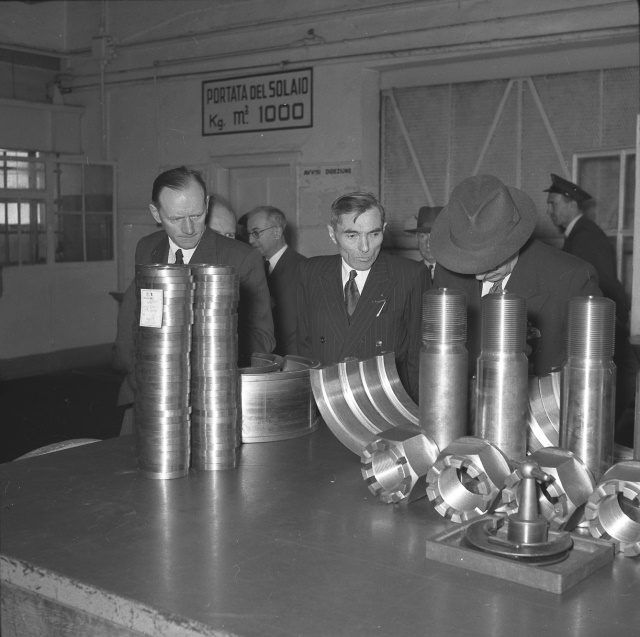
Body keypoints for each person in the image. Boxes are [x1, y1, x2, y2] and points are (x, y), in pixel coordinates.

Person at [115, 166, 275, 434]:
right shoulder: (146, 248)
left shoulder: (241, 258)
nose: (189, 229)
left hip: (209, 402)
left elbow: (263, 338)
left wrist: (206, 361)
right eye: (176, 218)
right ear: (156, 213)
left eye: (197, 215)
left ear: (207, 205)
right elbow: (141, 318)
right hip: (146, 391)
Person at [430, 174, 601, 376]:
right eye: (469, 262)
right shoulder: (447, 272)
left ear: (515, 238)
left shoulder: (572, 278)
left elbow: (599, 373)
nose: (478, 277)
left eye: (490, 260)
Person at [297, 192, 430, 402]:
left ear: (383, 229)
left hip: (384, 404)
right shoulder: (311, 271)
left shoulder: (410, 275)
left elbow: (418, 358)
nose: (365, 247)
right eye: (352, 236)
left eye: (374, 234)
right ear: (332, 234)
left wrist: (415, 413)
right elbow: (303, 349)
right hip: (326, 403)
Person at [545, 173, 638, 442]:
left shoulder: (586, 237)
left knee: (618, 378)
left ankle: (605, 436)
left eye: (553, 204)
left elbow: (604, 284)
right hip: (595, 323)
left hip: (600, 323)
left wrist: (613, 323)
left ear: (571, 203)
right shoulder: (577, 235)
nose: (549, 211)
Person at [246, 205, 307, 356]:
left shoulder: (303, 268)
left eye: (256, 233)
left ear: (277, 232)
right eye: (249, 234)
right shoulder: (255, 267)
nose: (250, 240)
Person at [404, 205, 442, 282]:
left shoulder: (459, 275)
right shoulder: (407, 275)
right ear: (417, 237)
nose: (428, 244)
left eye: (435, 237)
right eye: (423, 236)